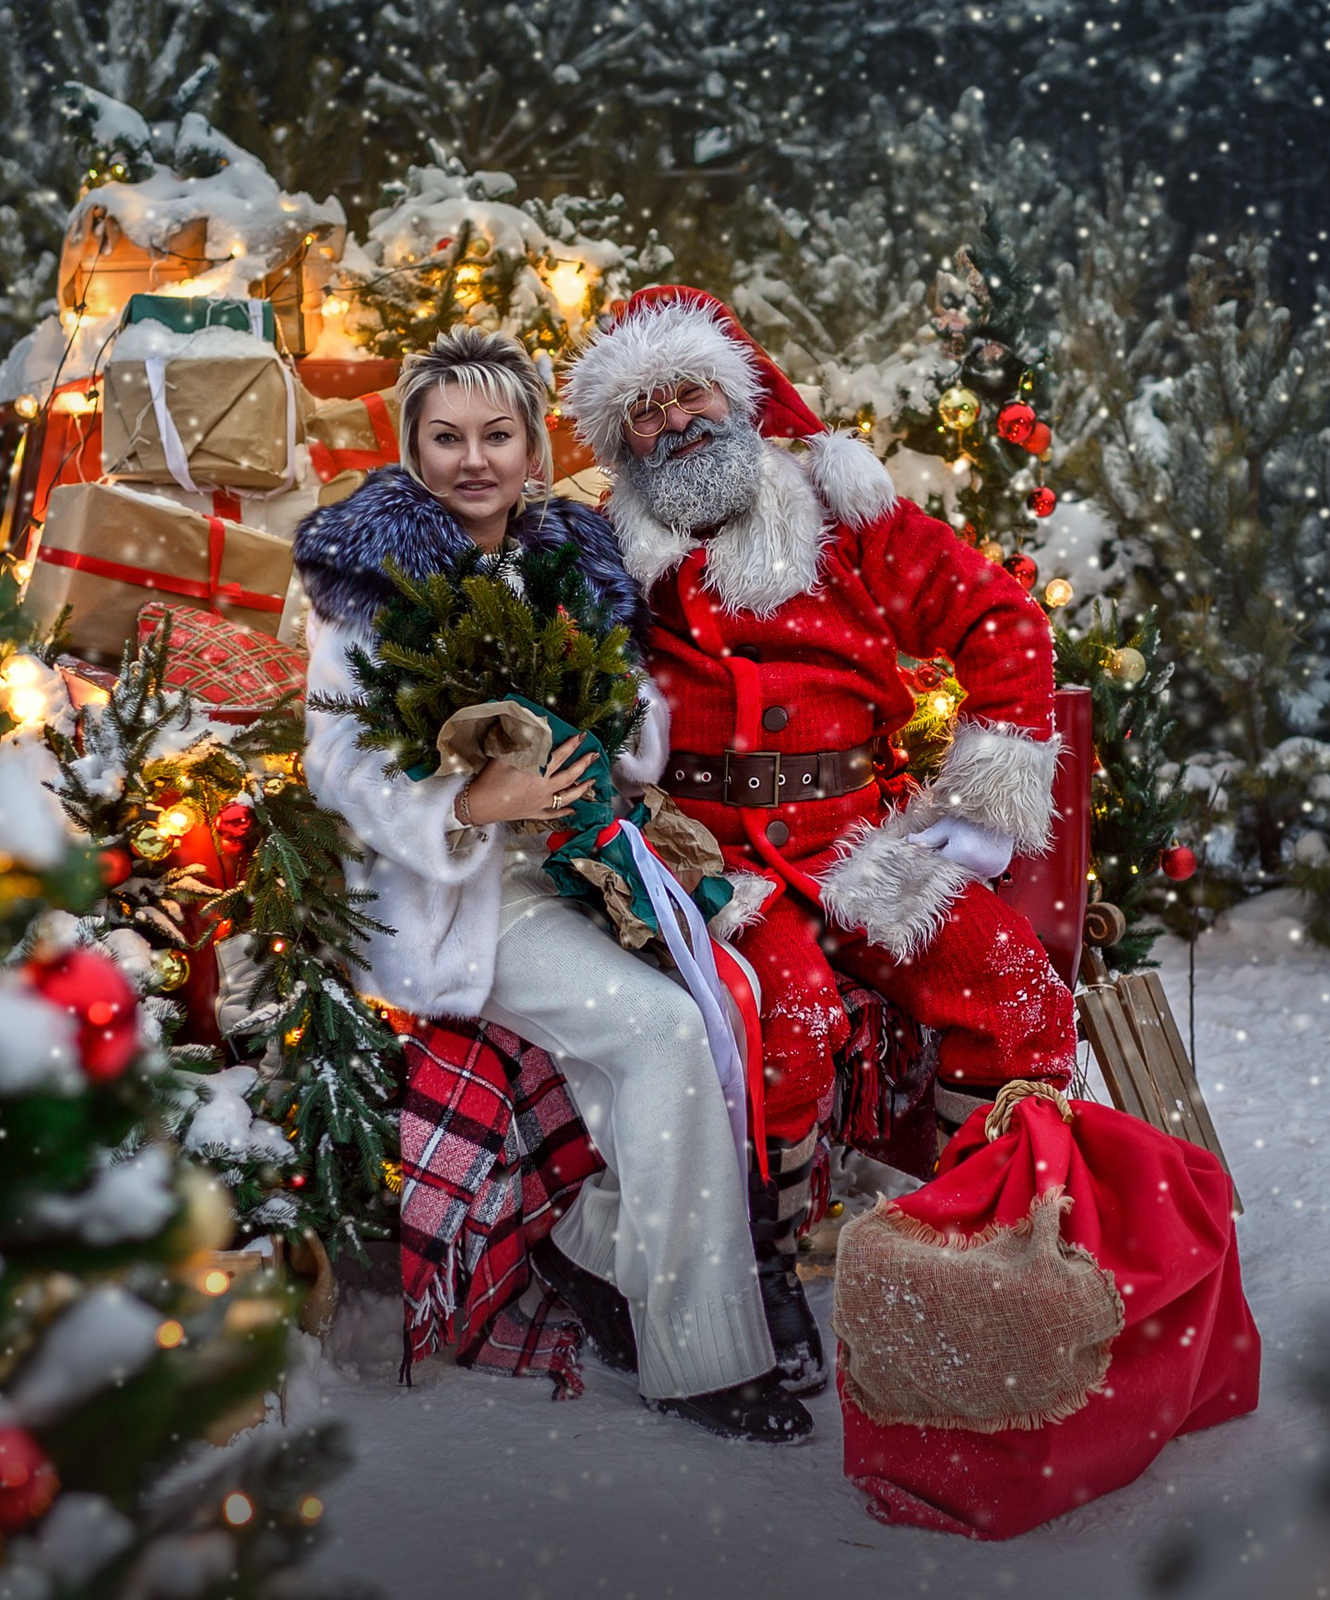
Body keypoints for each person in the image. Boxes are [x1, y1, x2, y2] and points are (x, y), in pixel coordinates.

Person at [293, 327, 811, 1443]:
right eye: (445, 437)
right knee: (664, 1032)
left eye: (495, 434)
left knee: (733, 997)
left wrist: (604, 735)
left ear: (533, 448)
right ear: (410, 445)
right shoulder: (365, 576)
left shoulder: (574, 559)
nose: (470, 459)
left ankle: (597, 1246)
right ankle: (705, 1354)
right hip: (465, 887)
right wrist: (468, 806)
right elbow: (333, 760)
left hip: (589, 858)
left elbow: (642, 722)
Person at [561, 285, 1079, 1395]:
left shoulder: (842, 513)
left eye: (690, 389)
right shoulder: (602, 553)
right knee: (786, 1022)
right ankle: (762, 1270)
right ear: (619, 440)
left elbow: (1002, 621)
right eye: (642, 411)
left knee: (1012, 987)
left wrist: (981, 808)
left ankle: (987, 1246)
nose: (675, 422)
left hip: (861, 835)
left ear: (736, 392)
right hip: (714, 852)